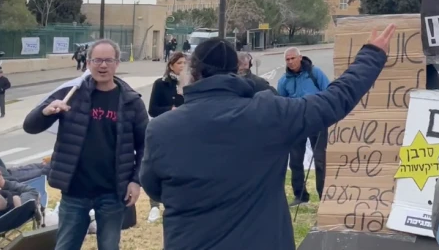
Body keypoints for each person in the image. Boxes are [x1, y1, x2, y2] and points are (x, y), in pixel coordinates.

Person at [139, 25, 396, 250]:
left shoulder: (162, 128)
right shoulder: (269, 113)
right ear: (235, 72)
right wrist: (371, 56)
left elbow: (153, 188)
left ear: (193, 73)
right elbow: (334, 100)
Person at [23, 39, 148, 250]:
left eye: (109, 60)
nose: (103, 66)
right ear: (88, 63)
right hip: (75, 192)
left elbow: (146, 145)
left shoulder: (131, 101)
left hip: (112, 193)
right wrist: (46, 111)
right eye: (97, 60)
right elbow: (30, 126)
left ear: (117, 63)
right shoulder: (72, 94)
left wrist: (136, 181)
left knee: (109, 246)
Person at [277, 46, 331, 205]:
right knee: (295, 160)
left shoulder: (315, 73)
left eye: (293, 58)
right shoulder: (283, 80)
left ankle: (323, 195)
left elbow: (328, 92)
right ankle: (300, 195)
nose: (290, 62)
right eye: (287, 59)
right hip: (296, 122)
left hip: (316, 120)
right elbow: (281, 102)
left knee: (320, 160)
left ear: (300, 57)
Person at [145, 52, 186, 223]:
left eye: (185, 63)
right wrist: (170, 110)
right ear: (171, 65)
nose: (183, 66)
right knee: (160, 165)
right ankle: (154, 205)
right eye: (179, 63)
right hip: (166, 128)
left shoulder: (190, 83)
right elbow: (152, 109)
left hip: (184, 130)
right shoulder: (161, 84)